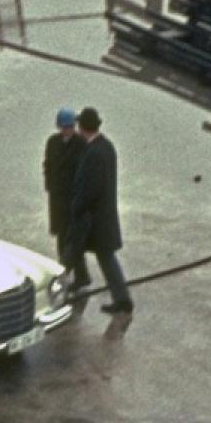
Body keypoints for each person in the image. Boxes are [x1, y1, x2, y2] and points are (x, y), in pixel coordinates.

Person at [68, 107, 132, 315]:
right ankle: (121, 299)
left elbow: (91, 188)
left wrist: (76, 206)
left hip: (95, 218)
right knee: (106, 257)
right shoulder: (106, 146)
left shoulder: (94, 152)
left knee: (77, 251)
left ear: (82, 127)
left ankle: (122, 300)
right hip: (103, 216)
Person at [43, 105, 90, 290]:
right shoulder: (52, 142)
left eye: (70, 126)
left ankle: (71, 273)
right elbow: (47, 164)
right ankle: (75, 274)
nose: (67, 130)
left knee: (73, 239)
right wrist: (49, 185)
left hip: (72, 198)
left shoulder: (80, 144)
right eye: (65, 126)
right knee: (62, 238)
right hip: (57, 198)